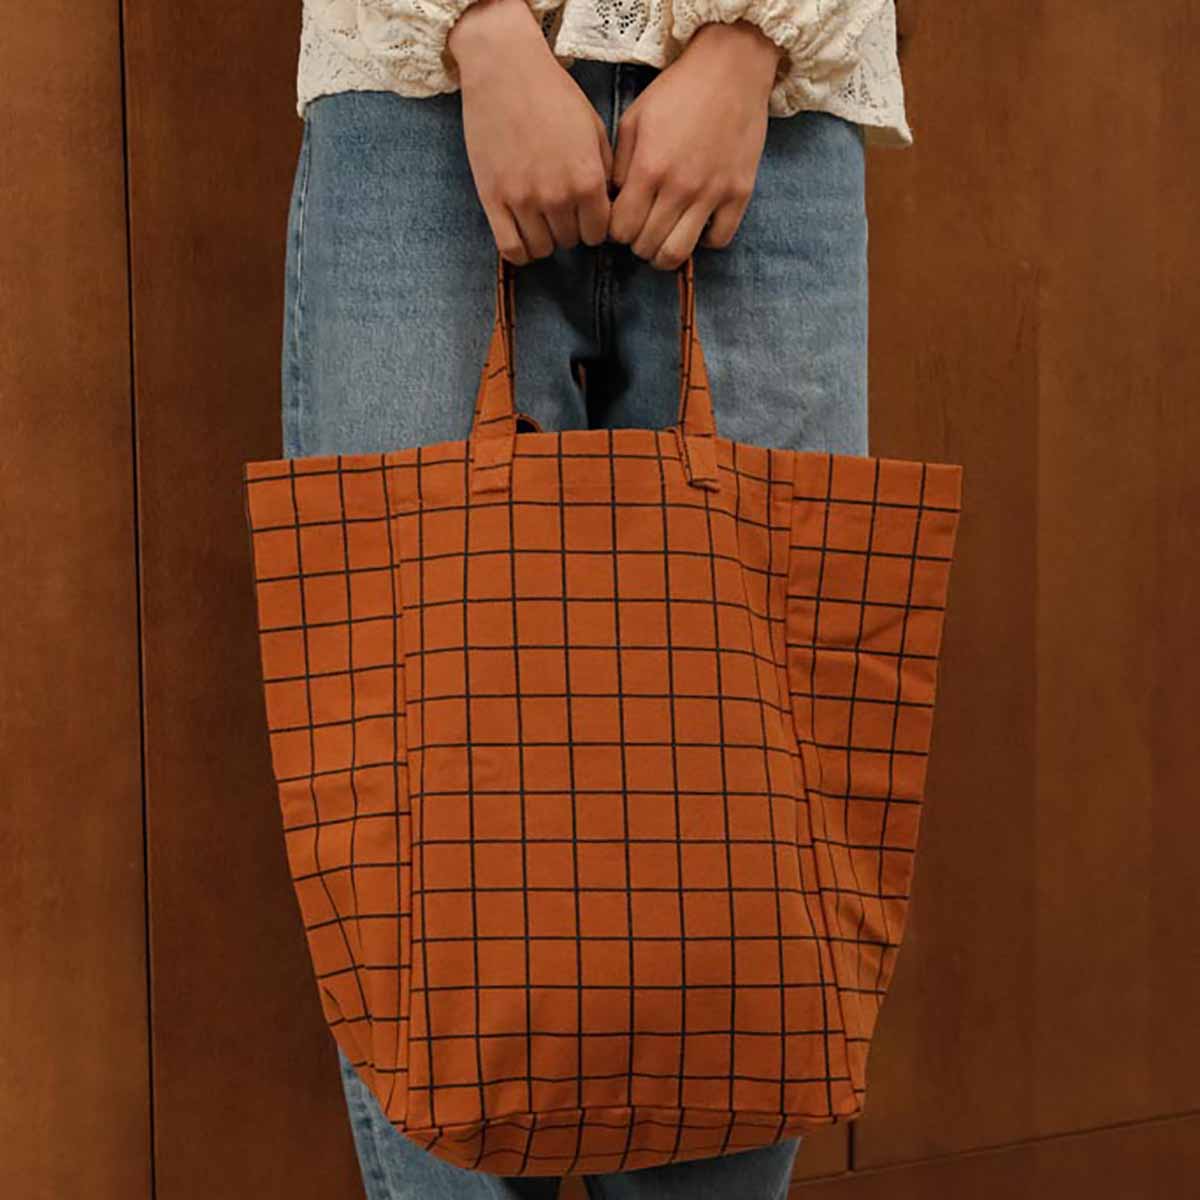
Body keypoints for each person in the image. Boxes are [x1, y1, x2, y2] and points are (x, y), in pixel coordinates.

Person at [282, 1, 911, 1196]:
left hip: (771, 113)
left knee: (750, 907)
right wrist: (482, 32)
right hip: (419, 94)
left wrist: (751, 39)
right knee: (422, 873)